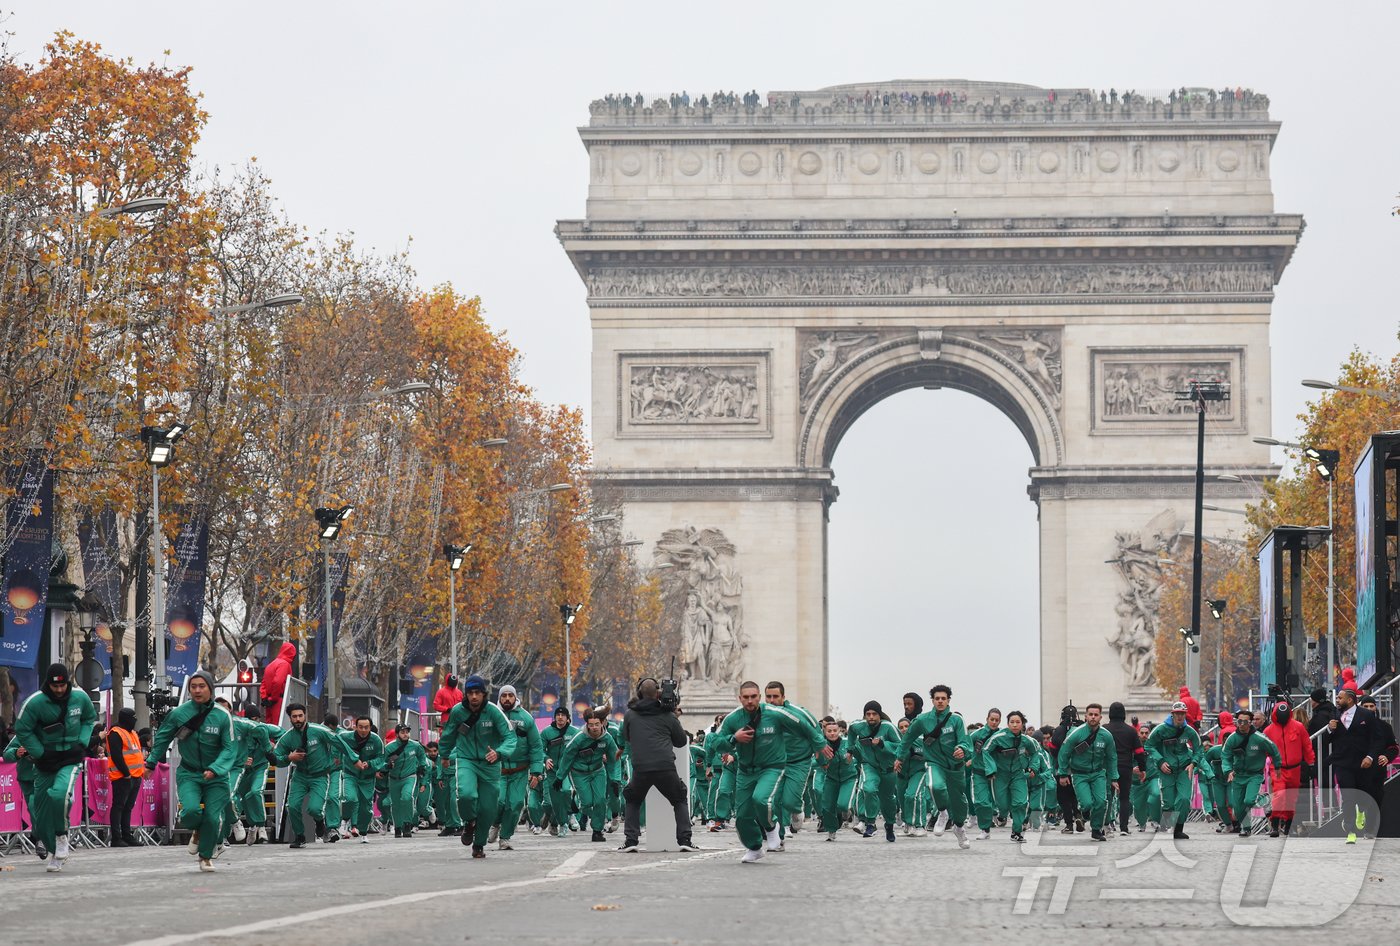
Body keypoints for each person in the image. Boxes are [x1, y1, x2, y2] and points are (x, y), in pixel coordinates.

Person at [709, 680, 824, 863]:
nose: (750, 701)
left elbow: (803, 725)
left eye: (753, 697)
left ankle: (771, 828)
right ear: (739, 698)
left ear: (759, 697)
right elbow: (713, 741)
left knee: (761, 799)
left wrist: (819, 745)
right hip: (745, 771)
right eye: (746, 697)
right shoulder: (733, 719)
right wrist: (733, 739)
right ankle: (754, 847)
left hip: (772, 767)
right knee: (742, 816)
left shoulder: (775, 714)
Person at [145, 670, 238, 872]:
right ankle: (196, 829)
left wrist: (216, 768)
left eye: (202, 686)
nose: (197, 690)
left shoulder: (223, 716)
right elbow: (162, 738)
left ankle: (205, 857)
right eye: (193, 686)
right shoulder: (179, 714)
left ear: (211, 689)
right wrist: (151, 763)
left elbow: (230, 748)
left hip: (217, 776)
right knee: (190, 811)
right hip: (189, 773)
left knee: (213, 818)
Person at [14, 663, 98, 873]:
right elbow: (22, 729)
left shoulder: (81, 698)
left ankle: (62, 835)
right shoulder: (34, 703)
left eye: (62, 686)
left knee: (60, 795)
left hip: (71, 756)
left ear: (68, 682)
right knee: (40, 819)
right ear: (48, 684)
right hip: (45, 761)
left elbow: (89, 719)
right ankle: (54, 852)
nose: (59, 690)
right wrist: (40, 752)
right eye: (54, 686)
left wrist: (82, 741)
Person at [437, 675, 518, 858]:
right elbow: (448, 734)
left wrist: (499, 753)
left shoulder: (494, 712)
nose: (474, 697)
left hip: (490, 764)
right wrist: (444, 755)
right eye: (470, 693)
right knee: (466, 794)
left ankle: (479, 845)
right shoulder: (458, 711)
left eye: (477, 693)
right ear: (466, 695)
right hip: (466, 760)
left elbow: (510, 737)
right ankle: (469, 821)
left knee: (488, 809)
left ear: (484, 694)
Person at [617, 678, 694, 853]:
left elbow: (627, 737)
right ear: (658, 694)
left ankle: (631, 841)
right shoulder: (667, 715)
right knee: (679, 798)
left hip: (641, 767)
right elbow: (681, 742)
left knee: (633, 799)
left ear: (639, 693)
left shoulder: (630, 714)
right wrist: (673, 717)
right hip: (665, 766)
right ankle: (685, 840)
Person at [895, 684, 972, 850]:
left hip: (955, 767)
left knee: (959, 803)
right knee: (933, 785)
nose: (940, 701)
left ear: (948, 700)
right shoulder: (923, 720)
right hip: (933, 763)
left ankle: (959, 828)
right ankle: (942, 813)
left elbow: (965, 741)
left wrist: (962, 750)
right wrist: (899, 757)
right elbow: (907, 739)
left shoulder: (957, 720)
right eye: (937, 698)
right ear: (932, 700)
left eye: (943, 698)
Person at [272, 703, 343, 848]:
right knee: (292, 806)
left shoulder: (319, 731)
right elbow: (275, 757)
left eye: (300, 716)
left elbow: (339, 742)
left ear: (305, 716)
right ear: (290, 718)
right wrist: (289, 758)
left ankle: (320, 822)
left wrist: (353, 759)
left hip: (320, 776)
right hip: (300, 776)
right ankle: (300, 836)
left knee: (314, 808)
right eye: (294, 717)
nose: (298, 719)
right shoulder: (288, 738)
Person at [1323, 686, 1385, 843]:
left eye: (1340, 698)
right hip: (1342, 762)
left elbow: (1378, 739)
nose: (1337, 700)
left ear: (1350, 700)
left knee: (1363, 795)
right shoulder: (1335, 715)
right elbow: (1329, 740)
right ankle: (1350, 831)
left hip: (1363, 763)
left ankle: (1361, 811)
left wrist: (1370, 757)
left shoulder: (1366, 715)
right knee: (1348, 796)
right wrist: (1330, 729)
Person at [764, 680, 822, 840]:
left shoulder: (799, 713)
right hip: (776, 764)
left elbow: (816, 731)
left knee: (789, 801)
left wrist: (819, 750)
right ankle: (780, 834)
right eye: (768, 696)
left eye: (775, 696)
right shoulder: (763, 715)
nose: (771, 700)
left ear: (783, 697)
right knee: (774, 800)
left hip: (799, 762)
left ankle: (797, 808)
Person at [1054, 702, 1119, 841]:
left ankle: (1096, 830)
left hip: (1098, 773)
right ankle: (1084, 813)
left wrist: (1114, 778)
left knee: (1101, 802)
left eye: (1096, 715)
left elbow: (1112, 757)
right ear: (1085, 716)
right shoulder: (1076, 733)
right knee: (1087, 804)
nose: (1093, 717)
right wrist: (1063, 774)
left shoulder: (1106, 736)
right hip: (1079, 774)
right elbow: (1064, 753)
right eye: (1090, 714)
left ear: (1101, 717)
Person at [492, 684, 544, 850]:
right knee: (497, 801)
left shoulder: (526, 718)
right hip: (497, 769)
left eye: (510, 695)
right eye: (504, 695)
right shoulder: (491, 715)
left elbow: (536, 746)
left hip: (520, 770)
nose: (507, 698)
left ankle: (505, 837)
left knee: (515, 804)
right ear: (499, 698)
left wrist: (536, 771)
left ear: (515, 698)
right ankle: (494, 823)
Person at [1145, 701, 1207, 840]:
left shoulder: (1190, 731)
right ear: (1172, 714)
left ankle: (1178, 829)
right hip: (1166, 769)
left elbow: (1198, 749)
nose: (1180, 717)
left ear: (1185, 715)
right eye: (1177, 714)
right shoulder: (1161, 729)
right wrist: (1160, 761)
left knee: (1184, 799)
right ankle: (1166, 827)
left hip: (1184, 769)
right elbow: (1149, 746)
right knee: (1169, 802)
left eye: (1182, 714)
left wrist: (1193, 763)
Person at [557, 711, 620, 844]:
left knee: (600, 800)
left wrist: (615, 779)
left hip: (598, 771)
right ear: (587, 725)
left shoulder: (607, 739)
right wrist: (560, 777)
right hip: (579, 773)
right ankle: (576, 799)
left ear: (602, 723)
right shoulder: (579, 738)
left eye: (597, 724)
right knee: (587, 803)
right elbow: (567, 757)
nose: (594, 727)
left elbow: (615, 758)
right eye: (591, 725)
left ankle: (597, 832)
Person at [981, 710, 1043, 842]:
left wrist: (1033, 768)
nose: (1015, 725)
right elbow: (985, 750)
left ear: (1022, 724)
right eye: (1012, 722)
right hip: (1000, 775)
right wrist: (991, 770)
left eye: (1018, 722)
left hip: (1018, 774)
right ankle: (1002, 815)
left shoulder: (1027, 740)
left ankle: (1017, 831)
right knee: (1002, 804)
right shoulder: (998, 737)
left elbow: (1035, 753)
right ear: (1008, 724)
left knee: (1020, 803)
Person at [846, 700, 902, 842]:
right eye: (868, 714)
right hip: (869, 765)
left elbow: (900, 745)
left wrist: (883, 743)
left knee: (887, 799)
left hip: (888, 768)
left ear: (879, 715)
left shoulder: (888, 727)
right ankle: (870, 823)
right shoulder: (859, 726)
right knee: (869, 789)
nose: (871, 717)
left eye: (874, 714)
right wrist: (850, 750)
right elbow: (851, 730)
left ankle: (889, 825)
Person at [1221, 709, 1281, 837]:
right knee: (1237, 807)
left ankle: (1264, 799)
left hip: (1254, 774)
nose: (1241, 724)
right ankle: (1246, 828)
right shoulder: (1232, 738)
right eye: (1239, 721)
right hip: (1238, 775)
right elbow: (1225, 756)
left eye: (1245, 721)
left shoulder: (1259, 738)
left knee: (1249, 800)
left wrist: (1277, 766)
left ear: (1250, 722)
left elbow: (1274, 750)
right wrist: (1228, 771)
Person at [1262, 701, 1313, 837]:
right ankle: (1275, 826)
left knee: (1292, 798)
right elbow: (1263, 751)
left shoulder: (1298, 727)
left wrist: (1311, 762)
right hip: (1278, 768)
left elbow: (1306, 745)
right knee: (1279, 795)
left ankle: (1288, 826)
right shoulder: (1268, 731)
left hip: (1295, 769)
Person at [231, 703, 279, 845]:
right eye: (252, 719)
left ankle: (261, 826)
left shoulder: (264, 728)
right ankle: (251, 826)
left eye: (257, 718)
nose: (255, 722)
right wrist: (241, 758)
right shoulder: (240, 730)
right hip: (243, 769)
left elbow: (284, 734)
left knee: (255, 792)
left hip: (260, 767)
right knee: (241, 798)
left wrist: (275, 747)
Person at [337, 715, 384, 843]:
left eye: (366, 727)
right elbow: (334, 743)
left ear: (370, 728)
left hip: (367, 778)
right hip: (350, 774)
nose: (363, 730)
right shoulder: (345, 737)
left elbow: (381, 758)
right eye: (361, 727)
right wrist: (336, 758)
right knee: (350, 798)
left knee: (366, 809)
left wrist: (370, 764)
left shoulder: (376, 740)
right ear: (355, 727)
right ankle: (345, 820)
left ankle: (362, 831)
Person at [106, 706, 145, 848]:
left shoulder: (133, 733)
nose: (135, 721)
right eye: (133, 718)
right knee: (118, 806)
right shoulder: (115, 733)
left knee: (128, 807)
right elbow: (116, 756)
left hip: (136, 776)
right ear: (126, 719)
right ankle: (117, 838)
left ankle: (127, 835)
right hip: (122, 776)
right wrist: (126, 774)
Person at [1103, 701, 1144, 835]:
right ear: (1124, 714)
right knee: (1124, 798)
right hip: (1126, 767)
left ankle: (1106, 823)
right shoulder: (1131, 731)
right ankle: (1124, 828)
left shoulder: (1104, 729)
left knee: (1108, 796)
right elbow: (1139, 752)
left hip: (1108, 768)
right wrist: (1142, 768)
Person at [537, 706, 578, 837]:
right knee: (554, 800)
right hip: (551, 771)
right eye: (557, 716)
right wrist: (546, 759)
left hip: (566, 770)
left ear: (568, 718)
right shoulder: (546, 732)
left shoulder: (575, 732)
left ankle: (569, 816)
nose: (560, 718)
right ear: (554, 718)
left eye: (563, 716)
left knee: (566, 791)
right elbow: (540, 749)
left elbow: (581, 748)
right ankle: (562, 823)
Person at [3, 726, 43, 859]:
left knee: (38, 806)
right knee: (33, 809)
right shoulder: (22, 734)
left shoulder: (49, 732)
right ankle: (40, 838)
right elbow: (7, 753)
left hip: (45, 777)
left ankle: (46, 837)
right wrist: (16, 752)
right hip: (27, 779)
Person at [381, 723, 427, 838]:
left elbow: (422, 756)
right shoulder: (389, 748)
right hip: (394, 779)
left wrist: (422, 767)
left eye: (407, 732)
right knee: (395, 804)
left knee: (406, 797)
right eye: (403, 732)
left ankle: (407, 824)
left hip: (410, 777)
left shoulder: (415, 745)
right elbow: (381, 762)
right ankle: (397, 827)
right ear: (397, 734)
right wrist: (387, 766)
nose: (406, 734)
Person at [816, 719, 858, 840]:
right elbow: (818, 761)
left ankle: (847, 812)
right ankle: (831, 831)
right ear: (825, 732)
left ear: (839, 731)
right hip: (831, 778)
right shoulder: (822, 745)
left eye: (835, 730)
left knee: (842, 804)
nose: (832, 733)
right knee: (827, 807)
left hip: (848, 778)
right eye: (829, 731)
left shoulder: (847, 743)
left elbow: (860, 754)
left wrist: (856, 762)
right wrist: (821, 760)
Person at [1048, 704, 1083, 832]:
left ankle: (1069, 824)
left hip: (1061, 770)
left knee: (1063, 798)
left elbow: (1052, 750)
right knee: (1074, 795)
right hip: (1078, 769)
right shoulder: (1082, 728)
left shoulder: (1058, 730)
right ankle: (1078, 814)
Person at [969, 708, 1002, 839]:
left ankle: (1004, 818)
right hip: (979, 772)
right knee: (981, 802)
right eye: (992, 719)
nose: (994, 722)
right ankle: (985, 829)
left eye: (997, 720)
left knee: (1000, 802)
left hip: (996, 774)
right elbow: (965, 745)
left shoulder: (1002, 735)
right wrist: (969, 759)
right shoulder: (977, 734)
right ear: (987, 719)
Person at [1131, 722, 1162, 832]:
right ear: (1138, 733)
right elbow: (1124, 760)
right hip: (1137, 781)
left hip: (1153, 777)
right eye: (1142, 733)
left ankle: (1156, 820)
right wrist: (1132, 769)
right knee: (1139, 806)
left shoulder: (1154, 745)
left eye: (1147, 733)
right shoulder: (1132, 746)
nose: (1144, 735)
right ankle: (1142, 823)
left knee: (1156, 795)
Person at [259, 642, 296, 727]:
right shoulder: (284, 664)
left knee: (270, 726)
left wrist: (264, 698)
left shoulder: (270, 665)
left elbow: (263, 683)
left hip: (269, 701)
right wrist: (273, 698)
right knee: (279, 727)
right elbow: (278, 681)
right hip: (278, 700)